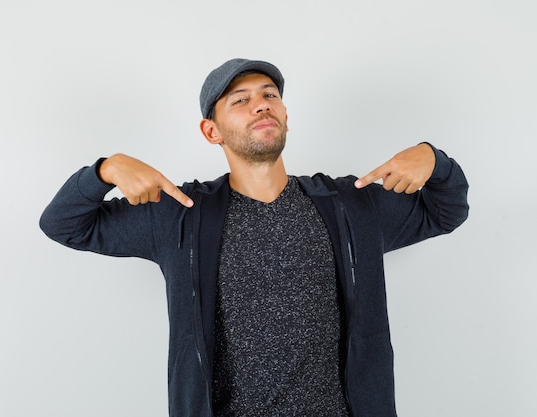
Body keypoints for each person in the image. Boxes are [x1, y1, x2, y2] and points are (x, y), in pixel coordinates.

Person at [40, 58, 469, 417]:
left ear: (285, 116)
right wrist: (105, 170)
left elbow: (445, 212)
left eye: (270, 96)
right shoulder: (178, 213)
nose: (261, 106)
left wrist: (435, 159)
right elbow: (64, 224)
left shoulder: (352, 204)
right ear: (212, 131)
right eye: (241, 101)